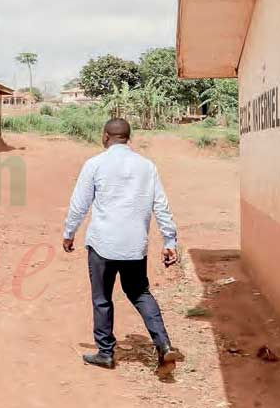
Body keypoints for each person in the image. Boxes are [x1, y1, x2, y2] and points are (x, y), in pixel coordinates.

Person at [62, 118, 184, 372]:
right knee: (140, 292)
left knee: (102, 298)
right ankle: (163, 345)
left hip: (102, 244)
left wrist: (69, 232)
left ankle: (106, 353)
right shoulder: (147, 166)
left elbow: (79, 203)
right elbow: (160, 205)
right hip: (134, 245)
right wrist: (169, 240)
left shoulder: (95, 164)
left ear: (106, 136)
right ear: (129, 137)